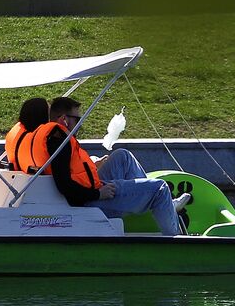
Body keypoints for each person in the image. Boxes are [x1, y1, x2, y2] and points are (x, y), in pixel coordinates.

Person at [23, 96, 187, 235]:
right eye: (77, 119)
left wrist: (94, 164)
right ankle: (176, 239)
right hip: (87, 200)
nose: (80, 124)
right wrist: (98, 194)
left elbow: (71, 169)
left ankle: (156, 204)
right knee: (160, 189)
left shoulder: (51, 138)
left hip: (87, 191)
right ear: (64, 119)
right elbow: (65, 186)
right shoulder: (59, 141)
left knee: (123, 156)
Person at [4, 97, 49, 170]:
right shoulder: (42, 139)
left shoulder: (18, 132)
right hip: (39, 179)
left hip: (18, 176)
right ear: (42, 115)